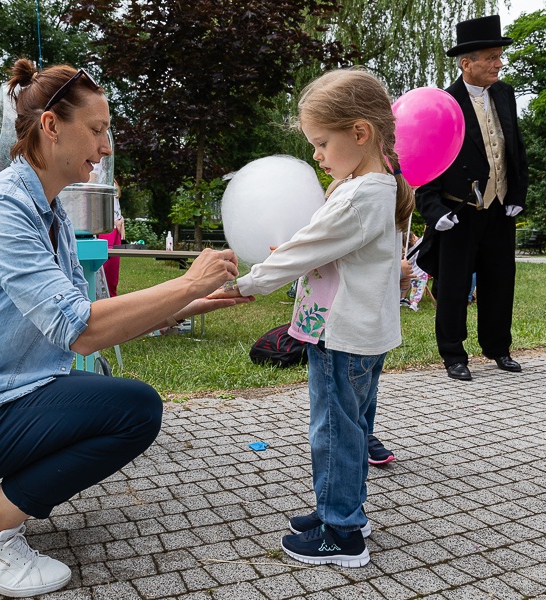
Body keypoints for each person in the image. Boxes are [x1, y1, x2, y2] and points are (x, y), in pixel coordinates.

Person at [0, 59, 248, 598]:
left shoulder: (49, 213)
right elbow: (79, 332)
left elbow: (87, 313)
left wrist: (199, 301)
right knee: (134, 411)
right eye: (97, 131)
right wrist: (186, 283)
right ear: (51, 126)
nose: (104, 148)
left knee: (106, 397)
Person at [213, 68, 414, 567]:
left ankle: (340, 531)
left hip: (339, 335)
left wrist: (246, 283)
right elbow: (335, 252)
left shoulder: (359, 194)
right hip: (363, 332)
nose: (317, 157)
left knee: (334, 431)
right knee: (353, 425)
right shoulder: (379, 187)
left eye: (321, 144)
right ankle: (345, 509)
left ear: (359, 133)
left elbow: (302, 251)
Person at [415, 15, 528, 381]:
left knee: (500, 280)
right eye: (492, 57)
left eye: (499, 55)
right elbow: (426, 162)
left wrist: (518, 194)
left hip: (499, 208)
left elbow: (515, 148)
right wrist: (434, 210)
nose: (499, 63)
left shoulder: (505, 93)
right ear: (467, 63)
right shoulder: (442, 103)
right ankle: (453, 355)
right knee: (453, 286)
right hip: (459, 210)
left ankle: (498, 348)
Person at [97, 178, 125, 297]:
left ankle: (112, 303)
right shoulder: (94, 173)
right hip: (104, 229)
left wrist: (121, 219)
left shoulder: (109, 174)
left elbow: (114, 205)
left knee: (113, 276)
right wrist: (112, 221)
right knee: (101, 272)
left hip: (115, 229)